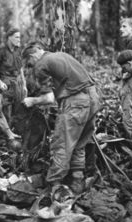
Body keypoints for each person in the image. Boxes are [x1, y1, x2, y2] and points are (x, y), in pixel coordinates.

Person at [21, 42, 100, 195]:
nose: (30, 67)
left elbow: (49, 98)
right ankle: (78, 179)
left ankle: (55, 185)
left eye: (28, 64)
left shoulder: (41, 64)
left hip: (76, 102)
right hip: (93, 98)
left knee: (61, 144)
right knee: (79, 142)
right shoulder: (61, 55)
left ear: (33, 55)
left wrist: (32, 101)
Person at [0, 27, 27, 123]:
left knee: (18, 108)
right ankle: (3, 133)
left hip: (17, 82)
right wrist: (0, 82)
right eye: (16, 37)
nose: (19, 40)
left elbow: (20, 68)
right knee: (4, 109)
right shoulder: (1, 50)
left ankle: (14, 130)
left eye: (19, 37)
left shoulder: (18, 50)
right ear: (9, 37)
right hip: (5, 82)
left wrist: (24, 85)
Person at [116, 50, 132, 138]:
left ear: (130, 63)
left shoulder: (131, 85)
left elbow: (129, 115)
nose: (123, 70)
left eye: (124, 67)